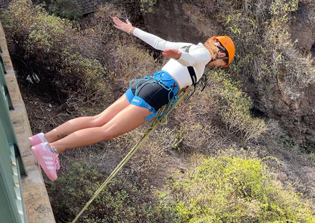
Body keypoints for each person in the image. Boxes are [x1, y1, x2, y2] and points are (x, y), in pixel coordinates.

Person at [30, 17, 235, 181]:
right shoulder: (204, 55)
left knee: (98, 120)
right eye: (223, 63)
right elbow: (192, 59)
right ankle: (52, 150)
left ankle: (44, 139)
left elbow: (160, 43)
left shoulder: (190, 46)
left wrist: (132, 30)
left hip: (147, 83)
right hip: (157, 91)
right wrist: (179, 56)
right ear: (221, 54)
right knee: (106, 131)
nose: (218, 66)